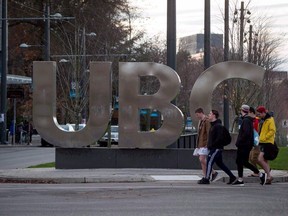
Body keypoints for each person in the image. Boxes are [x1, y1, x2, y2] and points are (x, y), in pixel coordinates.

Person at [198, 109, 236, 185]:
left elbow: (219, 138)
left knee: (209, 162)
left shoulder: (217, 126)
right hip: (214, 148)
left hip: (216, 148)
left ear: (214, 115)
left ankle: (206, 178)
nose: (208, 115)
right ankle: (232, 177)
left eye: (210, 114)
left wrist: (212, 145)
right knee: (220, 164)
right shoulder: (213, 126)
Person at [232, 105, 267, 186]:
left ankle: (259, 174)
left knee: (243, 161)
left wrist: (239, 141)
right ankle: (241, 179)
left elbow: (246, 133)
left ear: (242, 110)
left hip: (244, 145)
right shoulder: (247, 120)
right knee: (240, 161)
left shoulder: (246, 121)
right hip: (245, 145)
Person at [194, 108, 218, 181]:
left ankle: (212, 172)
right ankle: (206, 175)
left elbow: (208, 133)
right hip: (201, 143)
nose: (197, 116)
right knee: (202, 159)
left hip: (204, 143)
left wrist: (207, 143)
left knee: (202, 159)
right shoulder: (201, 121)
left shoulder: (206, 121)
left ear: (201, 113)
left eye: (197, 114)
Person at [256, 106, 277, 185]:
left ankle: (268, 175)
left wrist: (265, 137)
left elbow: (272, 130)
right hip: (263, 142)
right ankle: (268, 176)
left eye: (260, 114)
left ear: (263, 112)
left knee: (260, 159)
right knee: (265, 160)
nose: (259, 115)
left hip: (268, 143)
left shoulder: (270, 120)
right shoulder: (263, 120)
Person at [248, 107, 261, 177]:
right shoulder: (252, 120)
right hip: (252, 141)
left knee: (254, 158)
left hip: (256, 141)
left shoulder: (255, 121)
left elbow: (255, 131)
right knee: (251, 158)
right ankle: (256, 171)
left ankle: (265, 168)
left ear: (252, 112)